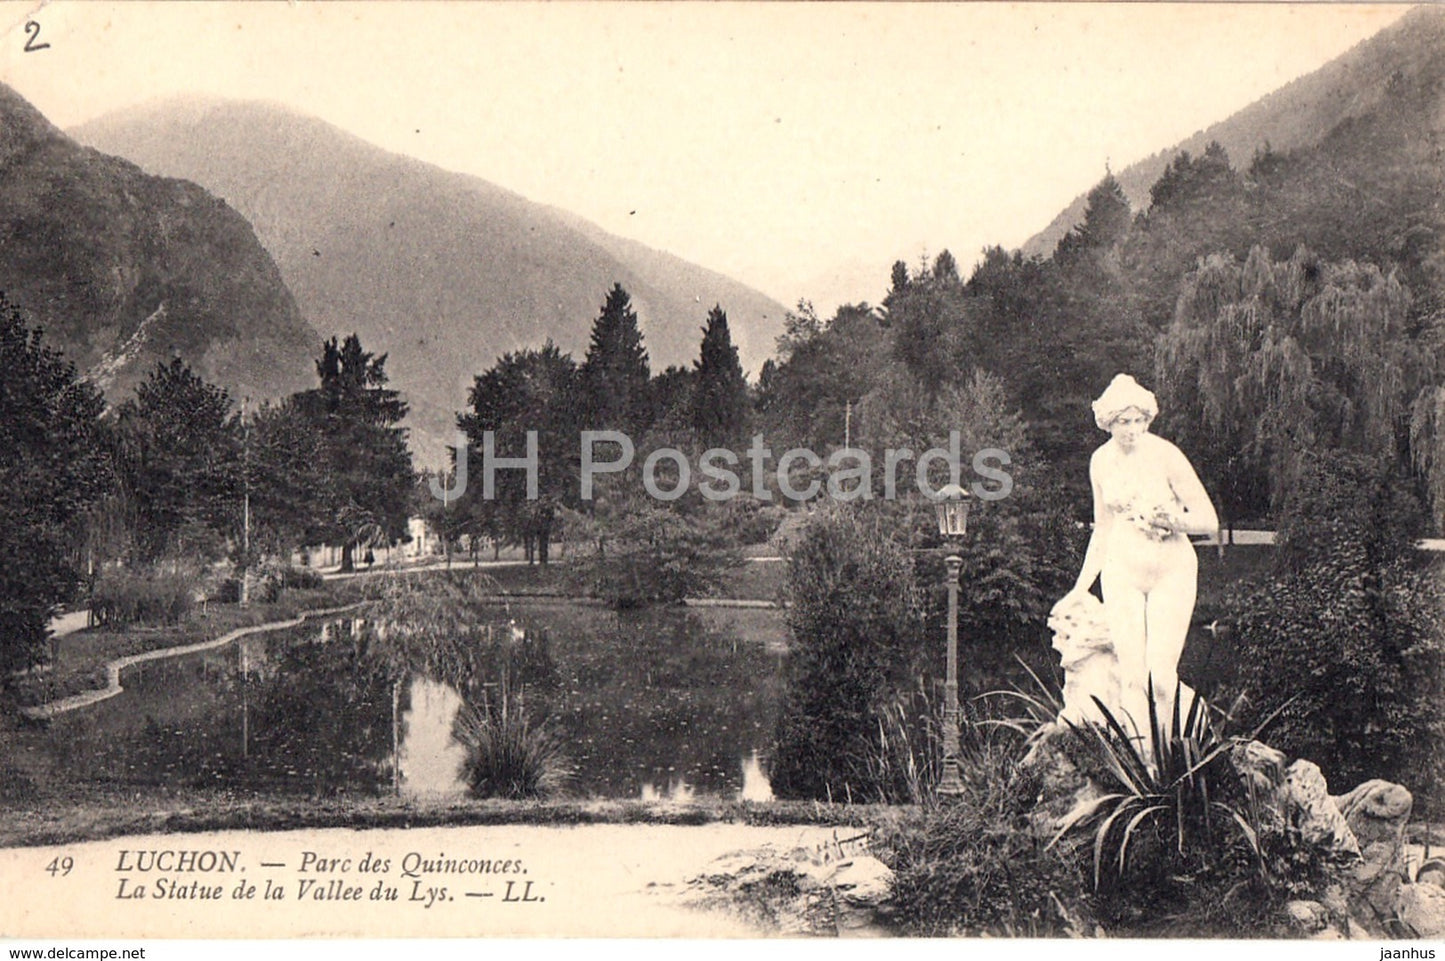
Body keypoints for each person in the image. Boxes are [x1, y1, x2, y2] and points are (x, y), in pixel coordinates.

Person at [1064, 374, 1218, 738]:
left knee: (1161, 680)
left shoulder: (1166, 455)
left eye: (1138, 421)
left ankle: (1173, 759)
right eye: (1123, 422)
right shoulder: (1100, 462)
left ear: (1147, 420)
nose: (1132, 429)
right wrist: (1079, 588)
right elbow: (1102, 529)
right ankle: (1140, 760)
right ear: (1108, 423)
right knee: (1132, 679)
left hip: (1171, 570)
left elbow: (1208, 522)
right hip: (1122, 570)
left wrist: (1171, 521)